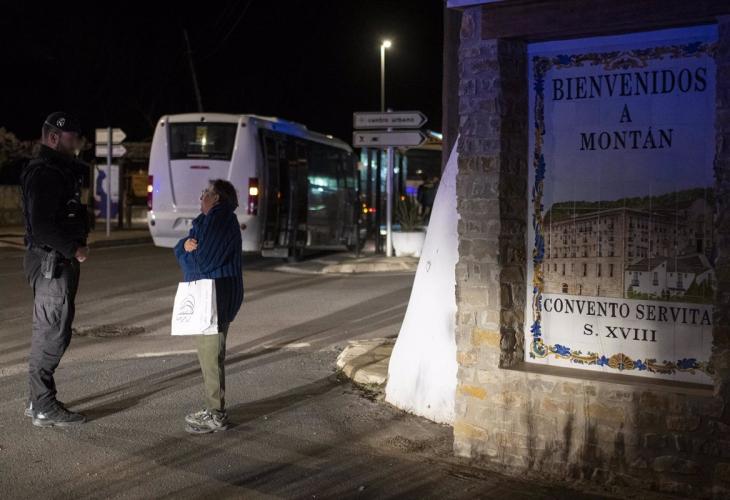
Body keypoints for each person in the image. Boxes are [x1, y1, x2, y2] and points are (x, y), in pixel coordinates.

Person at [21, 112, 90, 427]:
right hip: (52, 263)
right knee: (52, 334)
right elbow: (42, 226)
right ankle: (43, 405)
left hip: (54, 262)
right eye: (71, 138)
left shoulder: (56, 170)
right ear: (53, 137)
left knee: (50, 330)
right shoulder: (46, 173)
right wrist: (74, 249)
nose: (76, 144)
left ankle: (37, 400)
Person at [174, 179, 244, 434]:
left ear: (217, 198)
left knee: (211, 356)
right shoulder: (208, 221)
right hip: (210, 296)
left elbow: (202, 262)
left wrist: (187, 252)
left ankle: (216, 415)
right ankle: (213, 409)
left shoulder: (220, 221)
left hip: (215, 297)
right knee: (209, 356)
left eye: (206, 192)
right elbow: (182, 247)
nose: (201, 196)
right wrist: (184, 247)